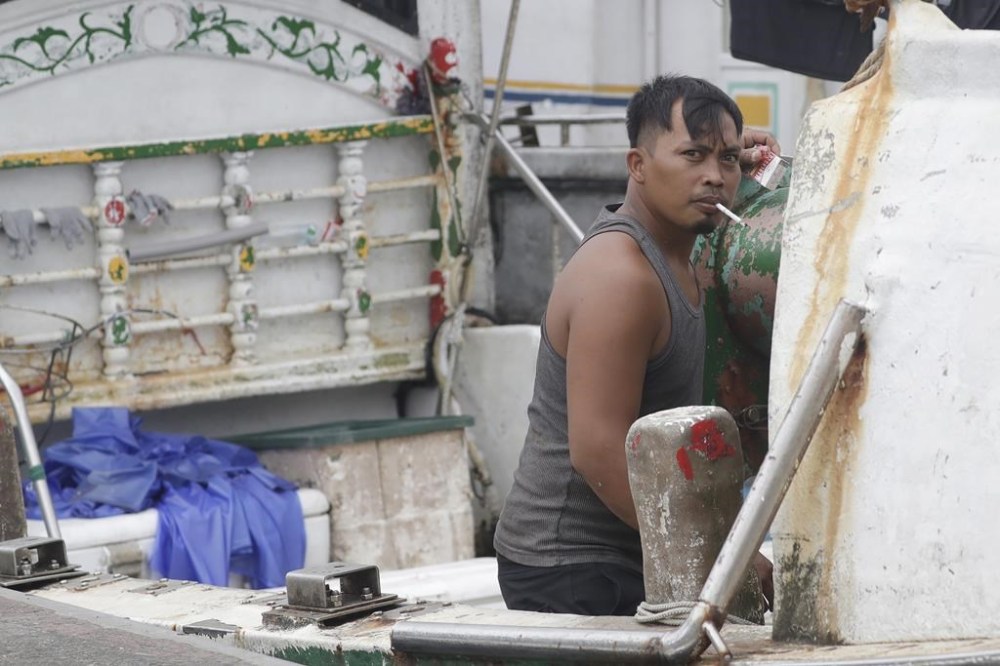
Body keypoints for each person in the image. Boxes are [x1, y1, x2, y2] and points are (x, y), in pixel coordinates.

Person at [492, 74, 779, 616]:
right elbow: (596, 448)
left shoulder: (676, 251)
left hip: (625, 554)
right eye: (692, 155)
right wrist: (724, 560)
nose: (714, 176)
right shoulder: (621, 277)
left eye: (727, 160)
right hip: (571, 567)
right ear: (637, 166)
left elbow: (701, 158)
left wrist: (726, 149)